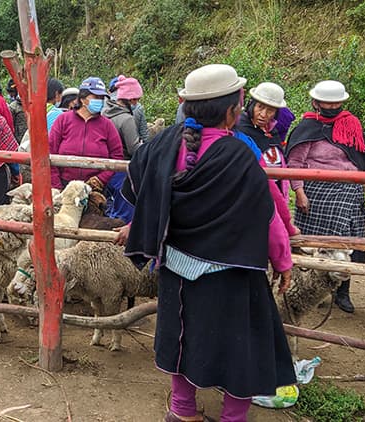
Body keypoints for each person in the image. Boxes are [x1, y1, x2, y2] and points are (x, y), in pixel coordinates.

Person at [118, 64, 295, 422]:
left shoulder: (161, 144)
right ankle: (232, 417)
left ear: (186, 104)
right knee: (240, 345)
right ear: (234, 109)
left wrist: (138, 224)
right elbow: (266, 215)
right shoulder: (241, 157)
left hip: (176, 267)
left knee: (180, 338)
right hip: (229, 271)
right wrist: (283, 259)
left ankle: (183, 412)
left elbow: (146, 191)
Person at [286, 80, 365, 313]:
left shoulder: (350, 126)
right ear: (316, 103)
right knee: (318, 242)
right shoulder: (307, 129)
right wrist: (299, 192)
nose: (332, 106)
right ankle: (314, 287)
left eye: (336, 102)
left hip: (351, 190)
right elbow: (295, 163)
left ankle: (342, 291)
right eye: (327, 102)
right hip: (319, 193)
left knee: (348, 241)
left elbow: (364, 159)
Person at [49, 77, 124, 190]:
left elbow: (117, 157)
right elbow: (50, 151)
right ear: (83, 98)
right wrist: (56, 186)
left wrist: (100, 180)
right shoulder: (63, 120)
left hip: (94, 188)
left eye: (102, 98)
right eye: (96, 97)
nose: (100, 101)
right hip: (64, 186)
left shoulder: (107, 125)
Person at [236, 82, 290, 196]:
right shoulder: (240, 129)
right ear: (251, 105)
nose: (263, 114)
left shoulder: (272, 131)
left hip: (275, 190)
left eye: (270, 110)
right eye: (260, 107)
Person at [102, 75, 143, 222]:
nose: (136, 103)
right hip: (122, 169)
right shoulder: (127, 119)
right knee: (125, 209)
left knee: (109, 206)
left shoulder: (104, 113)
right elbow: (134, 148)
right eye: (135, 100)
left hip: (104, 167)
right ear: (130, 99)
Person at [7, 78, 28, 142]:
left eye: (12, 92)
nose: (10, 95)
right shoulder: (13, 107)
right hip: (19, 141)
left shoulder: (13, 107)